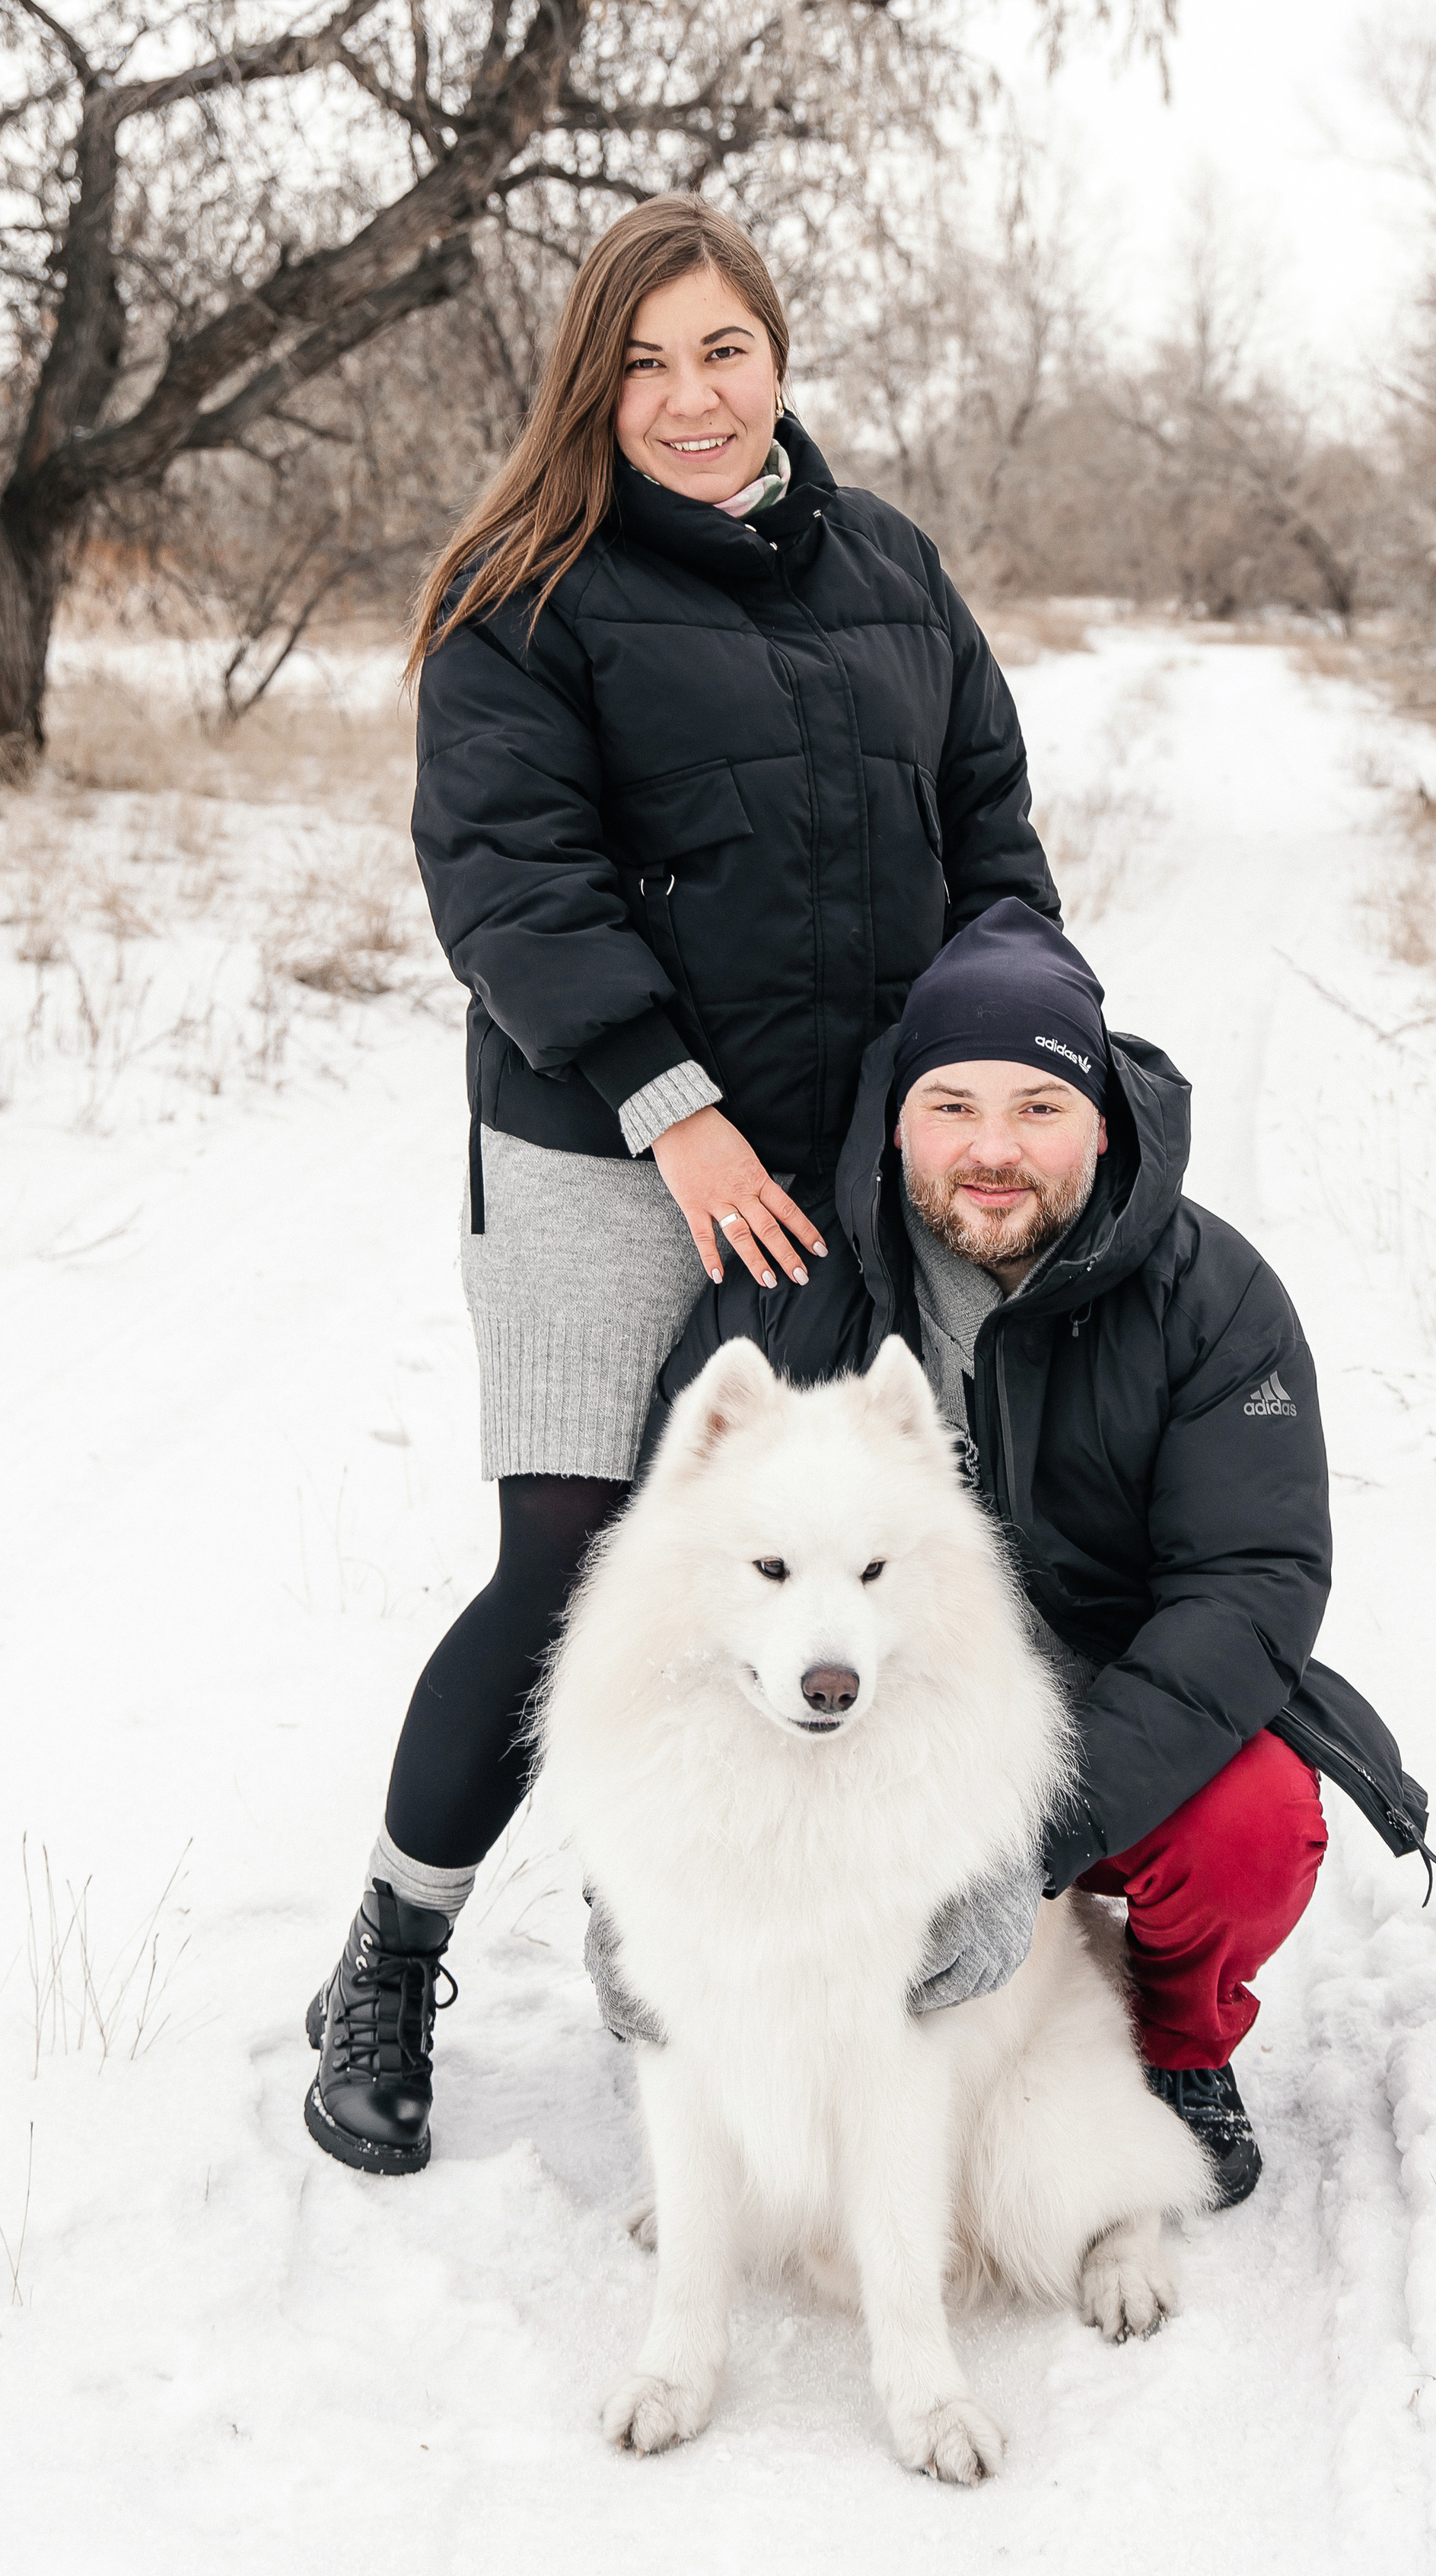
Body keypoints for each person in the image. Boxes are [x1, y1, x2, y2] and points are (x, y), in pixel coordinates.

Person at [304, 197, 1059, 2175]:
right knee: (581, 1571)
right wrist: (672, 1103)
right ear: (593, 384)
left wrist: (999, 1068)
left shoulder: (892, 567)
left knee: (878, 1551)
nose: (690, 396)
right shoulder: (523, 592)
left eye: (723, 349)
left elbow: (992, 834)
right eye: (644, 363)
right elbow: (508, 881)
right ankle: (391, 1948)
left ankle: (825, 1954)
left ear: (779, 354)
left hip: (847, 1156)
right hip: (605, 1147)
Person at [632, 898, 1436, 2208]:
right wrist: (641, 1875)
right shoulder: (792, 1288)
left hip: (1101, 1710)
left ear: (1103, 1119)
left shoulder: (1215, 1299)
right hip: (863, 1709)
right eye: (951, 1106)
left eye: (1039, 1108)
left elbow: (1250, 1588)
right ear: (896, 1121)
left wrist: (1026, 1846)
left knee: (1254, 1827)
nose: (993, 1150)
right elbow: (677, 1568)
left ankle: (1178, 2048)